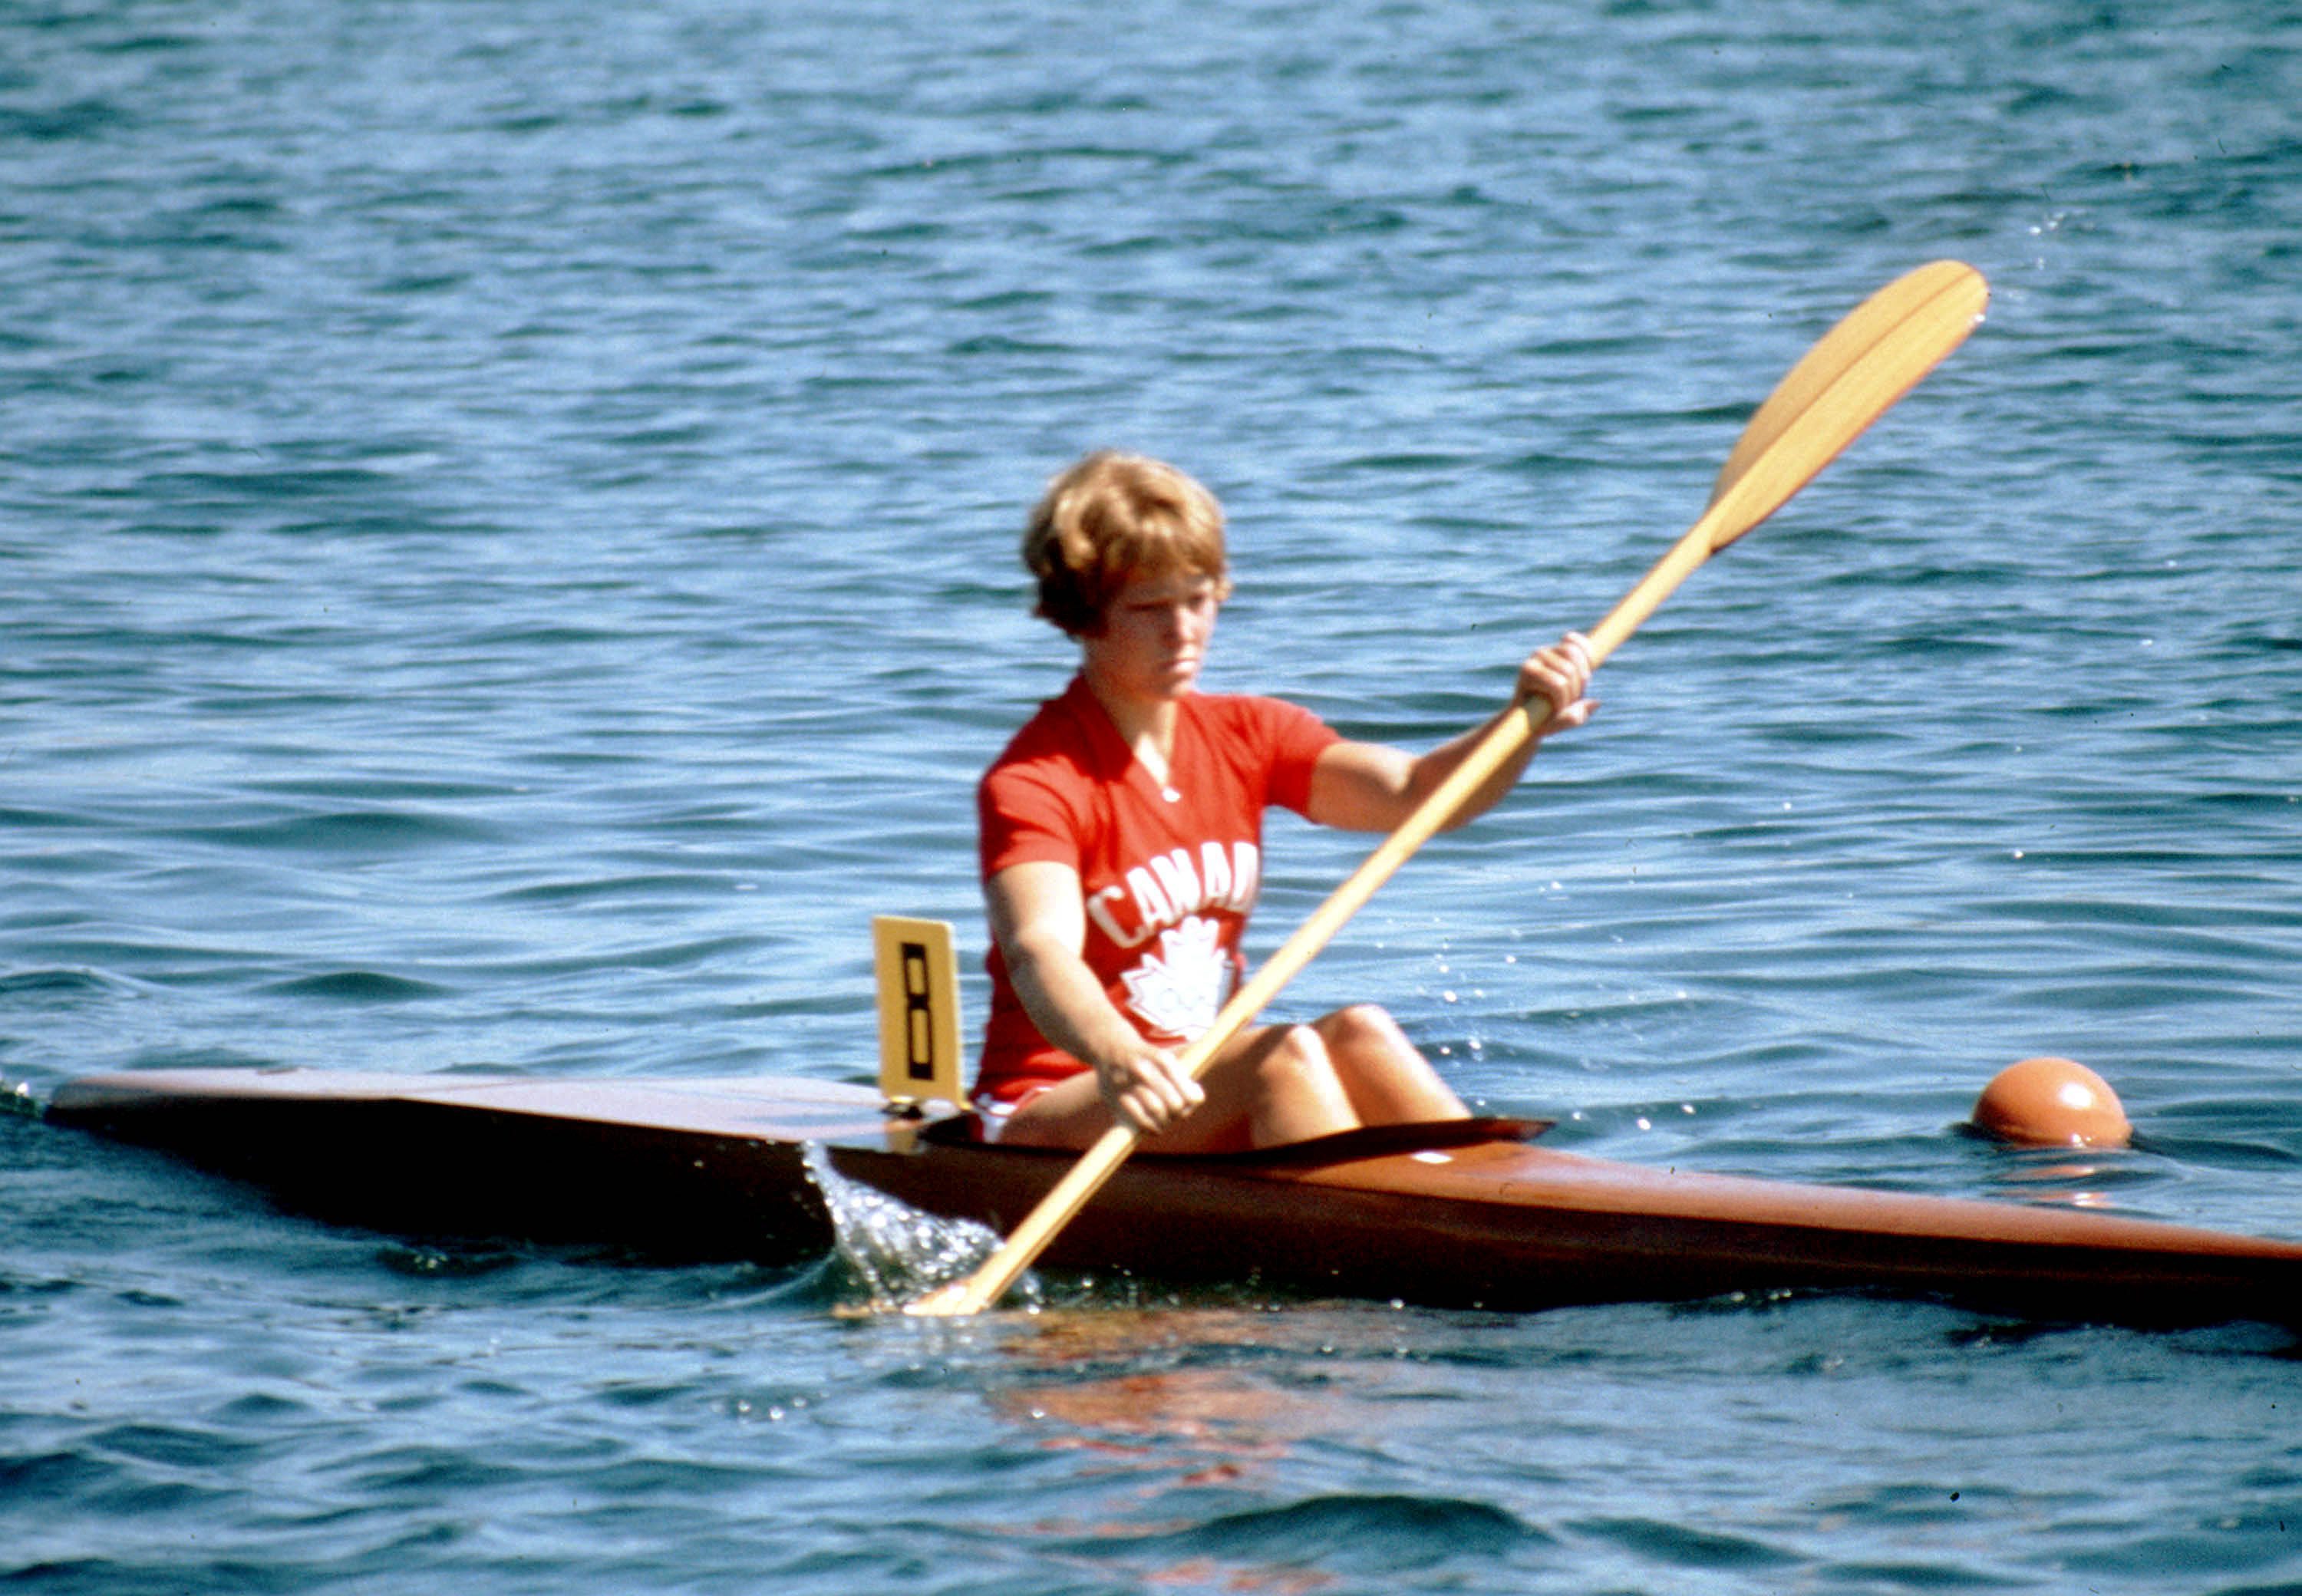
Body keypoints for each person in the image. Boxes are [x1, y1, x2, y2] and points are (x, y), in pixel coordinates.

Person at [975, 450, 1595, 1153]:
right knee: (1283, 1056)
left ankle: (1496, 1199)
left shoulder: (1249, 734)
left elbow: (1419, 793)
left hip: (1195, 1081)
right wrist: (1118, 1053)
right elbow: (1040, 949)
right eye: (1150, 608)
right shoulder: (1037, 779)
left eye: (1199, 598)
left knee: (1361, 1029)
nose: (1183, 630)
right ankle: (1395, 1239)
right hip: (1058, 1100)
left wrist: (1518, 725)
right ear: (1082, 616)